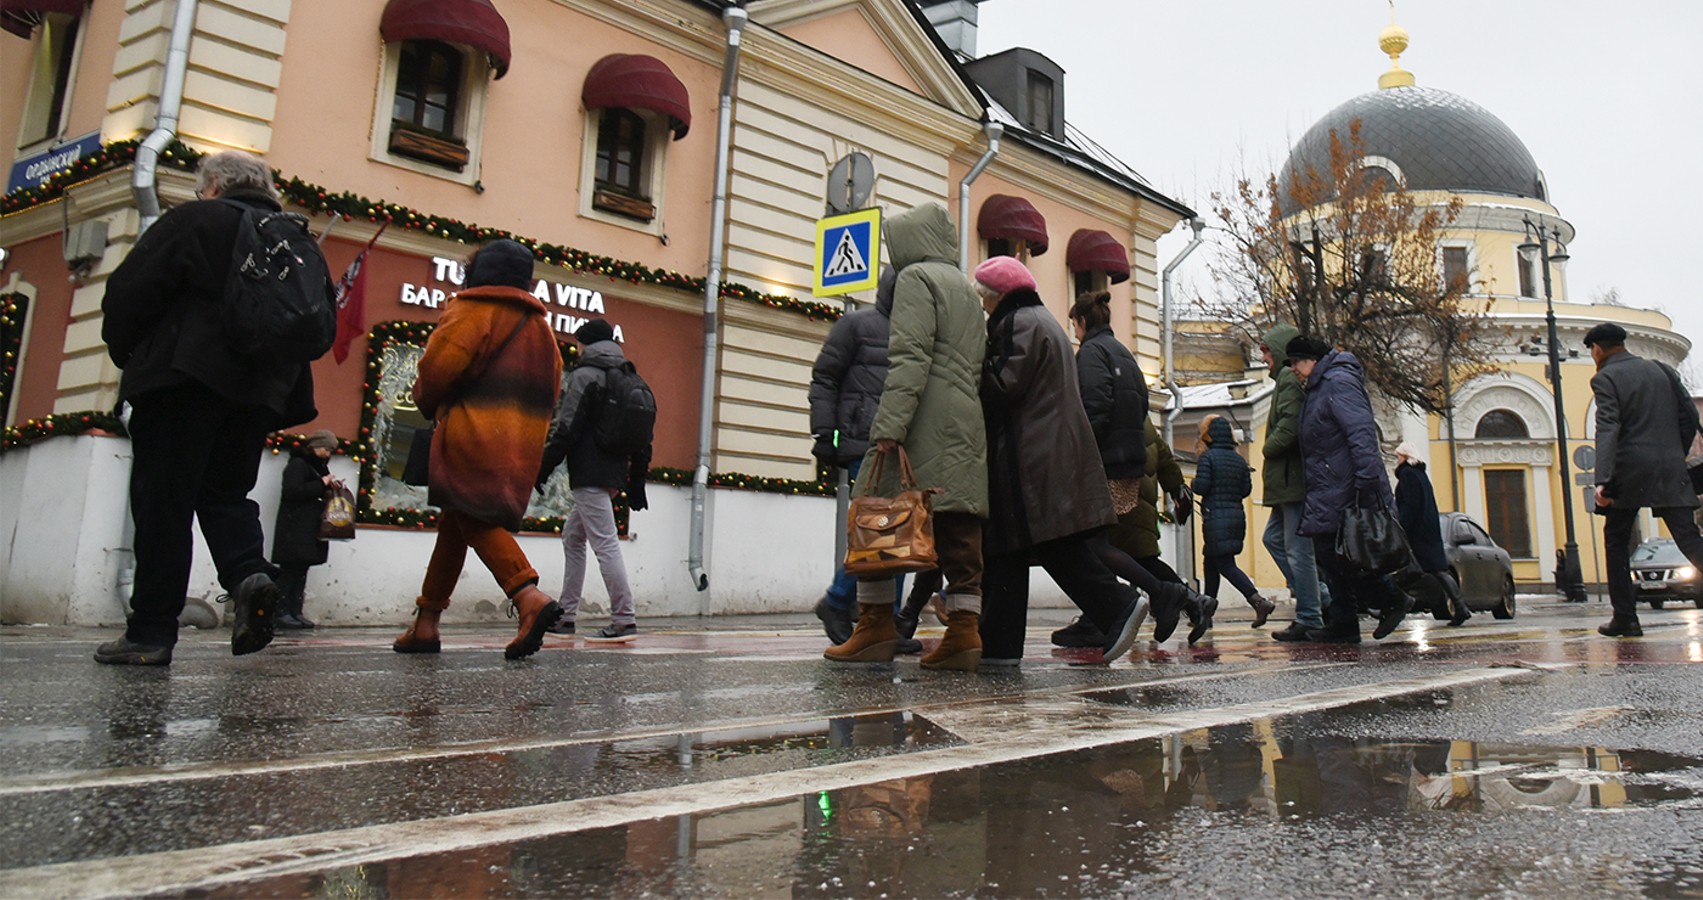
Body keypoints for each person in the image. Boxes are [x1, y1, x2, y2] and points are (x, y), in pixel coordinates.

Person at [96, 150, 329, 666]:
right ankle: (251, 574)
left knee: (164, 503)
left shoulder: (196, 219)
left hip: (185, 377)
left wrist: (131, 354)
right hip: (259, 394)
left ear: (215, 184)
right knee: (226, 493)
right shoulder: (295, 237)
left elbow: (130, 292)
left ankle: (150, 632)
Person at [824, 203, 988, 671]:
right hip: (965, 419)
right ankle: (964, 633)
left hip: (921, 419)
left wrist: (889, 427)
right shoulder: (965, 288)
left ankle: (873, 626)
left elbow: (910, 358)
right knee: (958, 527)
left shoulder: (917, 280)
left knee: (878, 514)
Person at [392, 239, 564, 659]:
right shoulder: (542, 329)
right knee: (457, 523)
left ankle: (527, 594)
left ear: (477, 272)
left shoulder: (471, 309)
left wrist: (426, 401)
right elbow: (553, 389)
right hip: (520, 444)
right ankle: (426, 623)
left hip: (471, 433)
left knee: (473, 517)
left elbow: (436, 370)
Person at [973, 257, 1148, 666]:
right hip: (1043, 451)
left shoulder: (1020, 323)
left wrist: (968, 369)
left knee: (1038, 542)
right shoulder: (1042, 319)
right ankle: (999, 648)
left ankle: (1117, 603)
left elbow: (1002, 383)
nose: (983, 305)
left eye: (984, 297)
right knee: (1014, 547)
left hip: (1029, 455)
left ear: (999, 294)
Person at [1066, 291, 1213, 645]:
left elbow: (1094, 407)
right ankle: (1165, 599)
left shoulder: (1091, 353)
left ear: (1082, 322)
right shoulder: (1124, 354)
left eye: (1074, 325)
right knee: (1107, 545)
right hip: (1130, 462)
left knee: (1092, 545)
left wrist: (1079, 453)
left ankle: (1164, 594)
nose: (1075, 332)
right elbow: (1141, 408)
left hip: (1105, 463)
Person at [807, 266, 912, 651]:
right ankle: (837, 601)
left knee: (899, 534)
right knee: (879, 531)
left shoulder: (915, 330)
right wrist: (824, 434)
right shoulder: (855, 325)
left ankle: (885, 620)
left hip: (901, 448)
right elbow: (825, 378)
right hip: (862, 444)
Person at [537, 317, 653, 643]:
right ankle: (566, 616)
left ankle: (624, 619)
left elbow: (567, 427)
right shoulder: (629, 377)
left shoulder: (585, 375)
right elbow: (645, 437)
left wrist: (543, 467)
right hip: (612, 474)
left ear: (585, 344)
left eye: (578, 343)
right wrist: (636, 482)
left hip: (589, 474)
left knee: (604, 544)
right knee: (573, 537)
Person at [1583, 322, 1703, 637]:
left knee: (1617, 541)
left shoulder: (1605, 378)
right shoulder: (1660, 370)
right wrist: (1673, 452)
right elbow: (1688, 415)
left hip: (1628, 473)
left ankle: (1625, 617)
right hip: (1669, 467)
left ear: (1597, 349)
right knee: (1689, 538)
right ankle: (1624, 617)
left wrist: (1604, 479)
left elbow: (1608, 427)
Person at [1288, 334, 1410, 643]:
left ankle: (1391, 598)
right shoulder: (1319, 387)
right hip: (1330, 484)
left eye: (1296, 363)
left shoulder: (1338, 383)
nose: (1293, 370)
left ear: (1312, 360)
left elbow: (1361, 432)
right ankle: (1344, 622)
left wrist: (1367, 480)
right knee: (1330, 555)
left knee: (1346, 555)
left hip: (1347, 485)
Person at [1258, 324, 1331, 642]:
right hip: (1287, 483)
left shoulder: (1288, 380)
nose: (1263, 358)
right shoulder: (1285, 381)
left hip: (1293, 482)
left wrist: (1267, 445)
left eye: (1266, 351)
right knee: (1274, 540)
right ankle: (1321, 598)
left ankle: (1310, 616)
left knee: (1297, 550)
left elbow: (1289, 429)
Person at [1193, 414, 1276, 626]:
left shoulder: (1208, 457)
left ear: (1208, 434)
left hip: (1216, 516)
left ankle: (1257, 601)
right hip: (1236, 516)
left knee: (1225, 564)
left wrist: (1193, 482)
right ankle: (1206, 615)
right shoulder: (1239, 459)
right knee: (1210, 562)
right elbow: (1246, 490)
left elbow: (1201, 486)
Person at [1393, 442, 1470, 626]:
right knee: (1438, 570)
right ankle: (1460, 607)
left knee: (1399, 566)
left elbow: (1410, 505)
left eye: (1398, 456)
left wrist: (1401, 527)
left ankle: (1390, 605)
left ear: (1405, 456)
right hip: (1428, 528)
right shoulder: (1420, 474)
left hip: (1416, 531)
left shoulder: (1407, 475)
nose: (1397, 460)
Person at [272, 430, 341, 630]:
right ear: (314, 446)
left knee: (301, 569)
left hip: (307, 528)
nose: (328, 453)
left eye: (330, 450)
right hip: (295, 528)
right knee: (290, 570)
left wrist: (329, 486)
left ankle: (295, 610)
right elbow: (293, 491)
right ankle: (281, 611)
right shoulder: (298, 465)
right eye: (325, 448)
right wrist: (322, 483)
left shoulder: (316, 467)